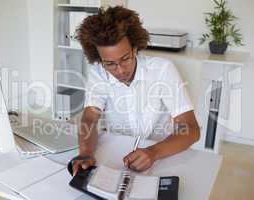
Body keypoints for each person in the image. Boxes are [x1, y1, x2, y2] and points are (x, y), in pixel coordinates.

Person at [72, 6, 200, 175]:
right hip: (117, 152)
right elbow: (89, 118)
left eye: (125, 58)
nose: (120, 71)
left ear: (135, 48)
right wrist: (86, 153)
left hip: (162, 153)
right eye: (109, 64)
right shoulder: (98, 72)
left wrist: (153, 152)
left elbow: (191, 129)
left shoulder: (163, 69)